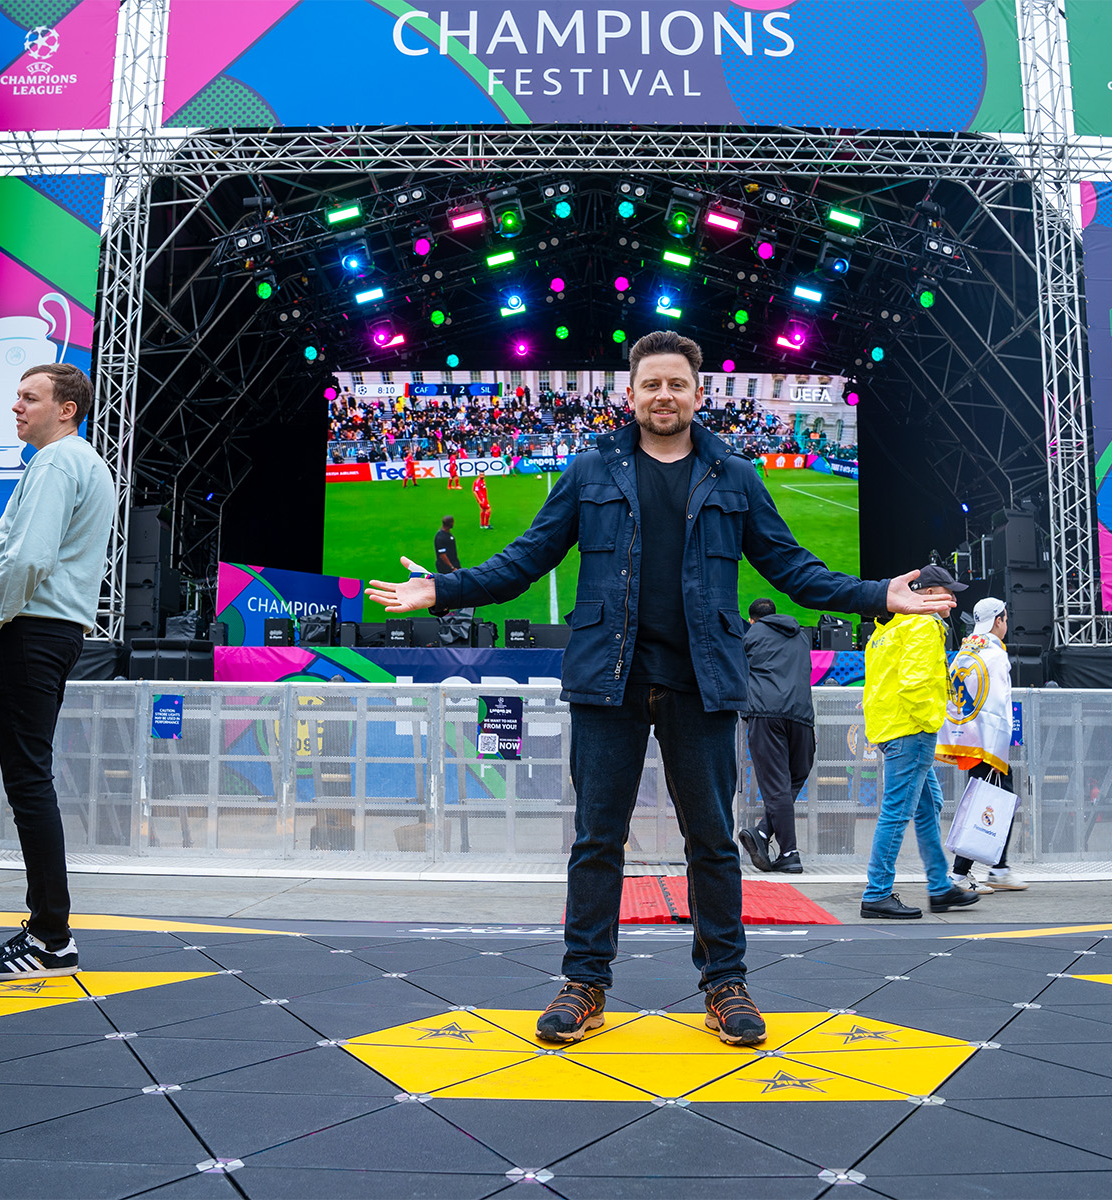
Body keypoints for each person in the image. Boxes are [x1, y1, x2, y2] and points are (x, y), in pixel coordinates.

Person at [366, 331, 951, 1047]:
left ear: (699, 395)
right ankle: (583, 982)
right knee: (596, 841)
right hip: (607, 683)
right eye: (652, 385)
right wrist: (443, 590)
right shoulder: (590, 471)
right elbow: (525, 560)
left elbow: (794, 569)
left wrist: (876, 596)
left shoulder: (735, 475)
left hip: (702, 684)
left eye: (677, 384)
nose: (664, 396)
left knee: (710, 842)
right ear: (631, 394)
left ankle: (725, 983)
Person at [0, 363, 114, 980]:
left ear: (66, 409)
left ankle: (52, 936)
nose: (16, 408)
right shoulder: (81, 462)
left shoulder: (56, 462)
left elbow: (28, 557)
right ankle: (47, 930)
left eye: (29, 398)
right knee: (30, 780)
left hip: (28, 631)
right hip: (46, 632)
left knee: (29, 783)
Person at [860, 564, 980, 919]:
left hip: (890, 726)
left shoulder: (890, 626)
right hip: (911, 730)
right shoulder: (925, 625)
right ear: (927, 594)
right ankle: (877, 892)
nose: (954, 600)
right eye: (948, 592)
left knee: (928, 805)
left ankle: (940, 888)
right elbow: (915, 682)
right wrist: (931, 722)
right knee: (897, 812)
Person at [938, 596, 1028, 893]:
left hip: (969, 737)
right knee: (988, 803)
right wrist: (1001, 744)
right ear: (999, 620)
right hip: (988, 742)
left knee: (992, 799)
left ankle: (998, 867)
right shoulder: (995, 654)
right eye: (1005, 618)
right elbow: (999, 703)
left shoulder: (967, 649)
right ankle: (961, 874)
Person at [737, 597, 815, 875]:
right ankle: (761, 831)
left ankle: (789, 853)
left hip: (766, 713)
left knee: (776, 786)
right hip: (802, 714)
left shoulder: (751, 634)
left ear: (751, 619)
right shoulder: (801, 636)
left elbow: (734, 669)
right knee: (795, 776)